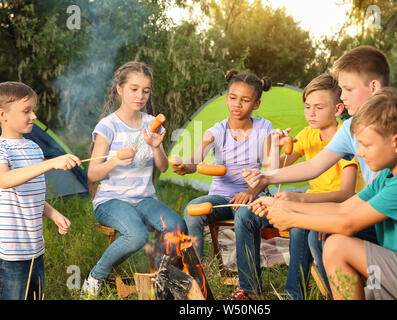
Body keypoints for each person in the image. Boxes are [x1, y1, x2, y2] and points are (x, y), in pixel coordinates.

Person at [249, 88, 397, 300]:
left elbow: (347, 223)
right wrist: (282, 205)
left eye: (365, 145)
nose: (359, 153)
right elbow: (342, 208)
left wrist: (291, 219)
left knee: (337, 246)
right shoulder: (388, 177)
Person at [243, 45, 397, 196]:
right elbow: (313, 165)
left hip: (387, 211)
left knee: (328, 234)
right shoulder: (349, 127)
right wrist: (266, 176)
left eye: (348, 89)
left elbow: (377, 190)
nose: (342, 96)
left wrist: (303, 203)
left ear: (373, 87)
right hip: (373, 208)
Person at [81, 61, 187, 296]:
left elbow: (163, 167)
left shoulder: (151, 123)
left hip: (144, 198)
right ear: (119, 89)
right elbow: (92, 173)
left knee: (176, 225)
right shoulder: (108, 126)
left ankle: (162, 279)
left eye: (146, 91)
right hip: (111, 200)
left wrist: (157, 147)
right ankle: (95, 277)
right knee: (137, 235)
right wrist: (115, 160)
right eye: (134, 89)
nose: (141, 96)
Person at [262, 74, 366, 299]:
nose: (311, 113)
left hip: (343, 205)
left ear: (338, 109)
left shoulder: (344, 137)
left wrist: (297, 200)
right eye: (307, 106)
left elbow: (346, 194)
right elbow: (275, 172)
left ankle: (335, 292)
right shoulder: (308, 134)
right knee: (299, 229)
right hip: (314, 201)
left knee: (310, 234)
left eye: (318, 107)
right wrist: (273, 148)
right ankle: (294, 294)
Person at [173, 69, 274, 299]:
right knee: (192, 211)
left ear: (256, 104)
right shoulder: (216, 131)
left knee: (243, 215)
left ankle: (247, 288)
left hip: (254, 195)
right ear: (226, 97)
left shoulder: (264, 128)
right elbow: (195, 159)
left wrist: (251, 191)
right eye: (232, 97)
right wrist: (184, 165)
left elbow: (269, 169)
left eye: (245, 100)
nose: (237, 104)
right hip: (221, 197)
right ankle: (195, 281)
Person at [0, 81, 80, 300]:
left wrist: (54, 214)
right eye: (26, 111)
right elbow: (5, 180)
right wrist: (51, 163)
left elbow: (31, 194)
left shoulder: (34, 148)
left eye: (34, 110)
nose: (34, 116)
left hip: (36, 249)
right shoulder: (2, 148)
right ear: (3, 115)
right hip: (11, 253)